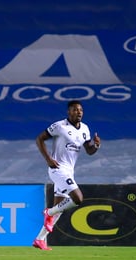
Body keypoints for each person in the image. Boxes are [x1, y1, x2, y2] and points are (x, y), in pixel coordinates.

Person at [32, 100, 101, 250]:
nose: (79, 112)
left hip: (69, 171)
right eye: (75, 110)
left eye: (81, 110)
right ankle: (48, 212)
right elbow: (39, 139)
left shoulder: (85, 129)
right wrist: (48, 159)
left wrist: (96, 145)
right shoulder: (59, 126)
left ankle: (40, 239)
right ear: (68, 112)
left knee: (59, 207)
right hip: (58, 169)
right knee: (77, 198)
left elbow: (89, 150)